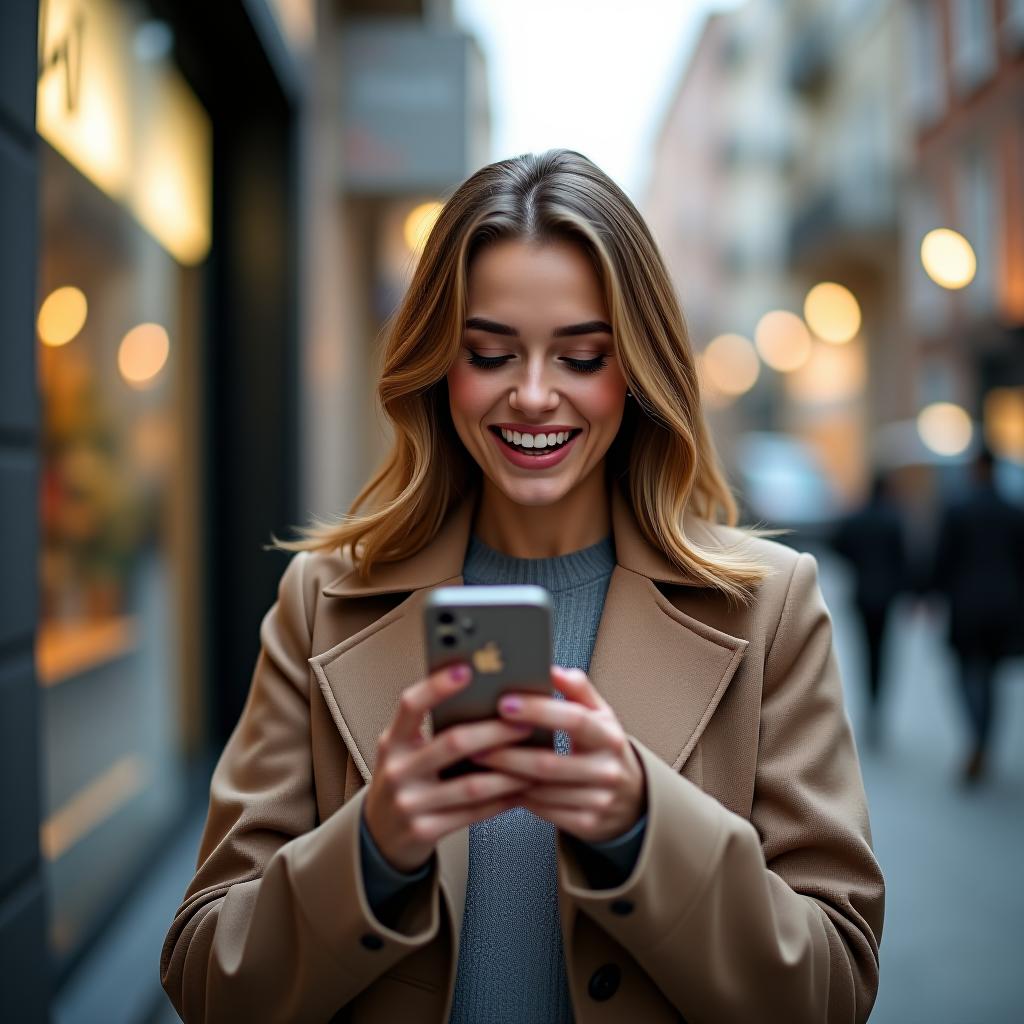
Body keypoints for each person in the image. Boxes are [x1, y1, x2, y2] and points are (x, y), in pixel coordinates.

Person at [160, 149, 884, 1023]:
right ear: (438, 364)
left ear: (638, 371)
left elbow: (835, 989)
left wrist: (645, 825)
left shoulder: (771, 607)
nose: (533, 395)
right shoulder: (320, 603)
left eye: (581, 357)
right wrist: (371, 849)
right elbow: (205, 976)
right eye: (490, 353)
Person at [928, 446, 1024, 784]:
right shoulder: (1013, 511)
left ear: (977, 469)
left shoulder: (959, 509)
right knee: (992, 678)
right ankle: (985, 741)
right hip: (1005, 608)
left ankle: (976, 740)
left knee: (969, 674)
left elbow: (942, 559)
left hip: (966, 606)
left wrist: (927, 595)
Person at [831, 469, 910, 748]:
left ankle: (869, 706)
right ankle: (878, 706)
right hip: (887, 598)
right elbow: (904, 560)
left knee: (865, 652)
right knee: (883, 653)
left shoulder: (857, 518)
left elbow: (836, 543)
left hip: (862, 595)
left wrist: (857, 562)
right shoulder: (893, 520)